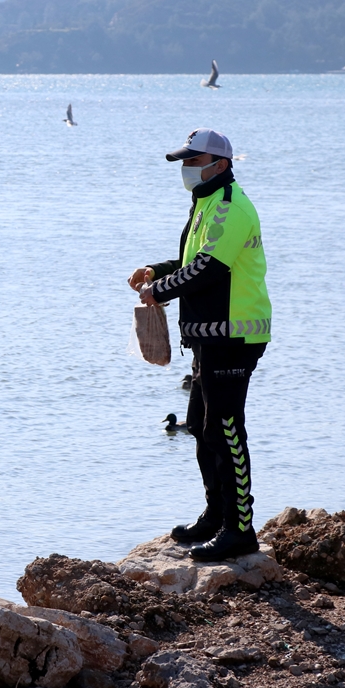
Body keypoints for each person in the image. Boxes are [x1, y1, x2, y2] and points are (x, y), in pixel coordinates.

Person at [128, 128, 272, 561]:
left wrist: (161, 290)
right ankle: (216, 517)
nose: (187, 169)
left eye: (194, 161)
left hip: (235, 334)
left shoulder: (231, 206)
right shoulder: (207, 204)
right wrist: (156, 270)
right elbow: (193, 262)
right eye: (185, 162)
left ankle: (240, 530)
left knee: (225, 430)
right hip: (210, 336)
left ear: (221, 165)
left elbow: (209, 267)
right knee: (201, 426)